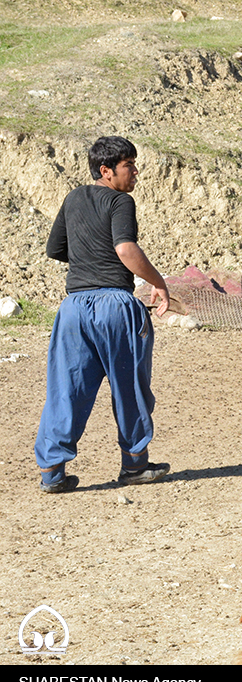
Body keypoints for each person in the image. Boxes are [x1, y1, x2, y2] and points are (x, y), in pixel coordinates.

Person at [34, 136, 171, 493]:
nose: (136, 172)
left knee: (66, 387)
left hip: (73, 308)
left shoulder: (73, 198)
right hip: (114, 306)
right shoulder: (120, 200)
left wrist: (89, 262)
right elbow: (125, 248)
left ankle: (52, 471)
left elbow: (56, 249)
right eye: (129, 165)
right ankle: (135, 465)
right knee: (129, 386)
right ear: (106, 171)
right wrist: (158, 283)